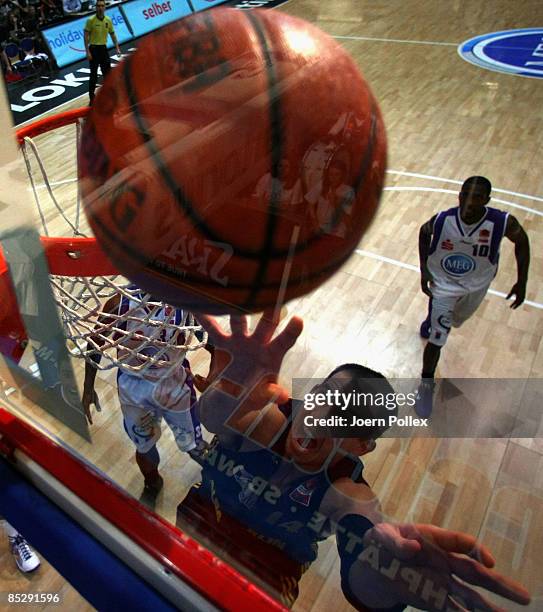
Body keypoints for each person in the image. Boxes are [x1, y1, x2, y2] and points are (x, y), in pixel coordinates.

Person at [176, 311, 531, 611]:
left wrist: (387, 576)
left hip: (263, 575)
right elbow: (213, 417)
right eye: (323, 398)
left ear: (362, 447)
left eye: (344, 419)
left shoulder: (349, 493)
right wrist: (231, 389)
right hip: (193, 530)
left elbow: (363, 573)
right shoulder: (270, 422)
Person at [415, 176, 530, 416]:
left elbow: (522, 241)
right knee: (438, 338)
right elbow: (423, 233)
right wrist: (424, 267)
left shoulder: (502, 222)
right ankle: (426, 385)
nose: (468, 202)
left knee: (456, 320)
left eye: (476, 197)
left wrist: (522, 281)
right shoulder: (443, 219)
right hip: (444, 284)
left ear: (487, 200)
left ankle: (434, 317)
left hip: (477, 284)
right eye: (464, 194)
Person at [82, 289, 206, 505]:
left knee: (194, 445)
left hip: (174, 383)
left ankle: (214, 480)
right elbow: (95, 342)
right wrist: (87, 387)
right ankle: (152, 482)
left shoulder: (185, 301)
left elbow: (211, 341)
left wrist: (216, 376)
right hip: (134, 387)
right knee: (144, 446)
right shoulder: (119, 303)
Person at [84, 0, 120, 105]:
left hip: (103, 49)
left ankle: (110, 96)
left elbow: (113, 34)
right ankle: (92, 98)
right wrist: (87, 52)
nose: (100, 8)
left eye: (102, 6)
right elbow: (86, 36)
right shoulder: (90, 20)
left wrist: (117, 48)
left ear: (105, 7)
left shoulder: (108, 20)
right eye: (98, 6)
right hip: (93, 49)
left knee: (108, 75)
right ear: (96, 7)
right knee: (93, 75)